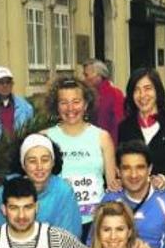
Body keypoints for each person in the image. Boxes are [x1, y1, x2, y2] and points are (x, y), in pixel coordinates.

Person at [44, 77, 120, 235]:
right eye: (63, 102)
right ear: (56, 106)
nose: (70, 108)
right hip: (58, 220)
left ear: (86, 104)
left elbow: (112, 185)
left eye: (76, 101)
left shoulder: (102, 137)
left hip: (95, 222)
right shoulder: (45, 138)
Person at [100, 140, 165, 248]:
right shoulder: (109, 200)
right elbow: (93, 243)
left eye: (140, 167)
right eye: (126, 168)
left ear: (149, 169)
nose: (133, 175)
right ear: (118, 171)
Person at [0, 133, 82, 237]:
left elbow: (70, 238)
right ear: (23, 165)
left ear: (53, 162)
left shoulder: (63, 192)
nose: (39, 166)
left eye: (45, 160)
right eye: (32, 161)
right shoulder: (6, 191)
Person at [117, 67, 165, 190]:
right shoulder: (125, 127)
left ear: (157, 91)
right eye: (137, 90)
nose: (142, 95)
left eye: (148, 89)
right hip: (135, 201)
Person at [83, 59, 125, 145]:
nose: (84, 79)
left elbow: (119, 123)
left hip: (109, 145)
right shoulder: (88, 94)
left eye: (87, 75)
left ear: (99, 75)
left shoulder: (114, 94)